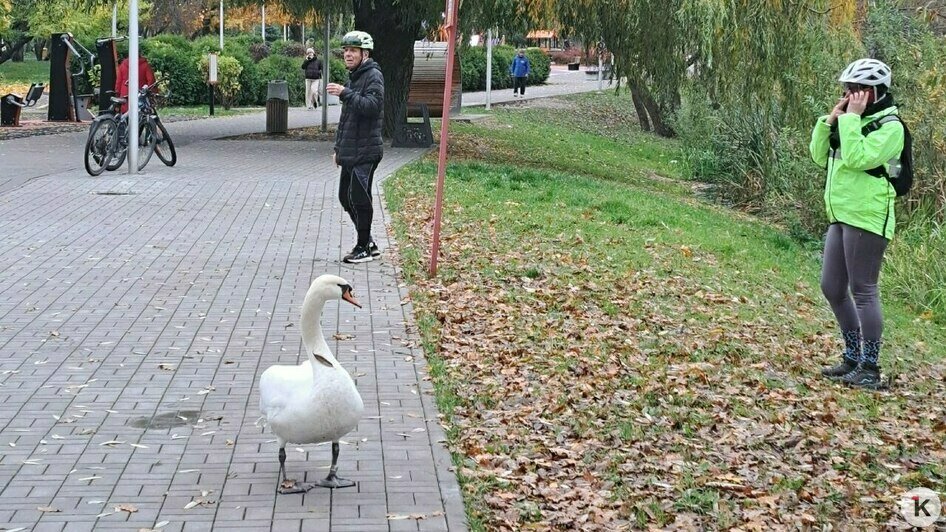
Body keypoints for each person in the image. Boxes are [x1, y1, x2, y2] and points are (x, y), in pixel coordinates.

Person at [809, 58, 904, 390]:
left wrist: (851, 120)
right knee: (832, 287)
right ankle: (852, 357)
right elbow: (821, 157)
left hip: (867, 216)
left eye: (859, 90)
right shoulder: (849, 121)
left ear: (876, 93)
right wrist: (828, 122)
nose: (852, 96)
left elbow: (858, 158)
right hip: (841, 214)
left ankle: (870, 367)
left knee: (863, 290)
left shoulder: (891, 127)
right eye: (848, 90)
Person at [326, 31, 384, 264]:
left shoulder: (373, 76)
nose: (348, 54)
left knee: (359, 196)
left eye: (353, 51)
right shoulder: (355, 76)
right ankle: (368, 241)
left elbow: (372, 106)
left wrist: (345, 93)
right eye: (346, 51)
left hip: (367, 149)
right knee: (344, 196)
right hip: (351, 150)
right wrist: (338, 149)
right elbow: (347, 120)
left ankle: (363, 248)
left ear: (365, 53)